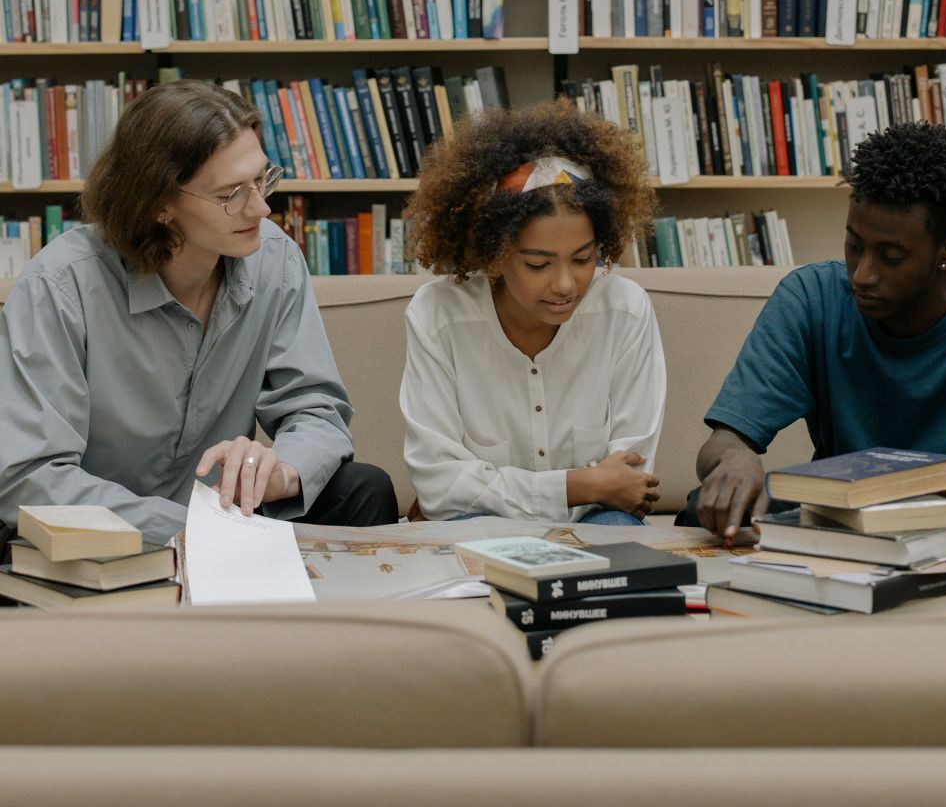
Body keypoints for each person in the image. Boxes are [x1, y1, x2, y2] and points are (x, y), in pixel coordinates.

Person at [678, 122, 946, 612]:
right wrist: (736, 457)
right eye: (854, 245)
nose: (863, 274)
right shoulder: (810, 298)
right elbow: (722, 441)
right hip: (845, 516)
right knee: (706, 505)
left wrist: (895, 478)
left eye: (891, 256)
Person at [0, 80, 397, 551]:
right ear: (160, 203)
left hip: (225, 518)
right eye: (231, 193)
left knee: (364, 488)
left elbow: (315, 407)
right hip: (102, 531)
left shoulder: (277, 259)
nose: (261, 207)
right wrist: (190, 531)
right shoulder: (61, 284)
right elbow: (28, 476)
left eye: (262, 179)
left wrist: (279, 472)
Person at [400, 98, 664, 525]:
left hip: (598, 518)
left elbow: (628, 483)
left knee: (617, 532)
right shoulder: (437, 316)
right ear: (495, 254)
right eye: (538, 264)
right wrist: (578, 485)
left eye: (583, 259)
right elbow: (439, 487)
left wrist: (590, 490)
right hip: (481, 523)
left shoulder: (626, 311)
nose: (565, 284)